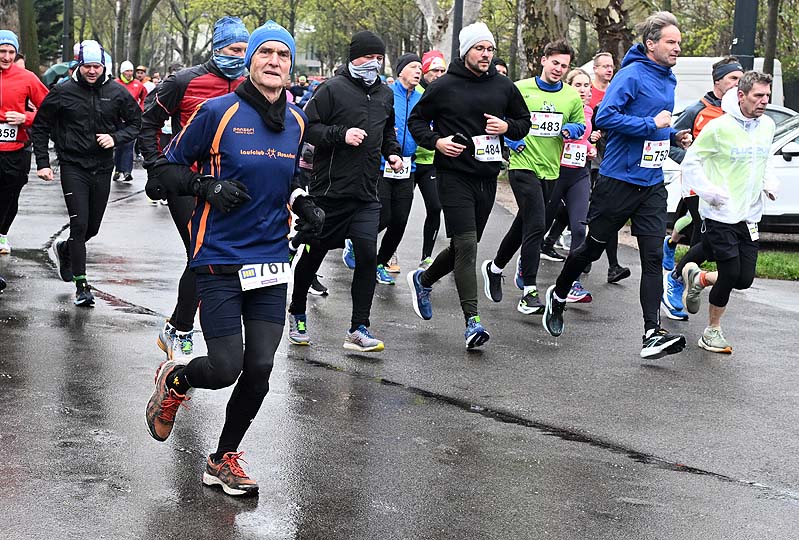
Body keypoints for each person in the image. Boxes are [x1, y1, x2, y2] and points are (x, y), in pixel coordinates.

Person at [145, 20, 324, 497]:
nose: (274, 62)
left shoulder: (297, 120)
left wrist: (304, 203)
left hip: (270, 260)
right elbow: (165, 169)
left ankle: (222, 459)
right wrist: (205, 186)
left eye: (282, 55)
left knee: (260, 367)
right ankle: (176, 379)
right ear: (250, 61)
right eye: (265, 53)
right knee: (226, 367)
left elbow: (290, 179)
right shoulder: (216, 112)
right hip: (219, 258)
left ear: (290, 66)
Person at [542, 12, 693, 360]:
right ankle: (559, 293)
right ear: (651, 44)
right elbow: (606, 117)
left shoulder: (668, 78)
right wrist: (651, 123)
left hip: (651, 182)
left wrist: (672, 135)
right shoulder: (631, 74)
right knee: (591, 249)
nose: (677, 48)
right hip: (619, 180)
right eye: (671, 42)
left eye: (679, 43)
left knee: (653, 256)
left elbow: (656, 125)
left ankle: (652, 332)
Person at [406, 22, 531, 348]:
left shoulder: (503, 86)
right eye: (480, 48)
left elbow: (524, 123)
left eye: (490, 49)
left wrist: (506, 126)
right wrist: (437, 142)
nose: (486, 54)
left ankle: (424, 279)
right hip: (453, 175)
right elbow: (416, 121)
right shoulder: (444, 86)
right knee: (467, 245)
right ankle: (472, 322)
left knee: (464, 245)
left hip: (486, 177)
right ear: (465, 52)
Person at [139, 16, 249, 359]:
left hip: (227, 185)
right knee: (201, 254)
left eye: (245, 50)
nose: (241, 56)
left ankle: (176, 325)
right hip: (186, 182)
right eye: (234, 49)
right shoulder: (183, 81)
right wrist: (157, 168)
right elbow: (148, 121)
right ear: (217, 48)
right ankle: (182, 330)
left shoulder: (249, 83)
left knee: (217, 257)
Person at [287, 30, 403, 351]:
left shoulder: (385, 94)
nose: (374, 63)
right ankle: (297, 310)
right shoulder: (331, 89)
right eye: (368, 57)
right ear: (353, 57)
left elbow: (387, 131)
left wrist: (392, 153)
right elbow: (307, 128)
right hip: (329, 193)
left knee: (367, 257)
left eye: (379, 58)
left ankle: (358, 328)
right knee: (314, 255)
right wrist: (341, 134)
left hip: (366, 193)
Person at [32, 40, 141, 306]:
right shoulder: (63, 91)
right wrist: (43, 163)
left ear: (104, 67)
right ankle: (82, 286)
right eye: (87, 66)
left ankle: (65, 248)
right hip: (73, 165)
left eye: (96, 66)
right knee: (79, 224)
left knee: (92, 227)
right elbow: (41, 126)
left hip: (102, 167)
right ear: (79, 66)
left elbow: (137, 122)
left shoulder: (116, 92)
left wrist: (115, 138)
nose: (92, 71)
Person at [481, 39, 585, 315]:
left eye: (564, 66)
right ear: (543, 60)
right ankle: (529, 292)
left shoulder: (571, 96)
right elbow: (500, 120)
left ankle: (495, 268)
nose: (559, 69)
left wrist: (571, 130)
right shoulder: (520, 88)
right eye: (555, 63)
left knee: (523, 224)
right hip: (522, 166)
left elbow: (580, 124)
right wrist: (512, 140)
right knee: (537, 225)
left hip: (550, 169)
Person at [678, 72, 776, 353]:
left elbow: (765, 159)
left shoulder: (767, 125)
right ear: (741, 95)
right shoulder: (719, 127)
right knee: (730, 273)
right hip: (720, 213)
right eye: (758, 95)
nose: (764, 101)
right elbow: (692, 162)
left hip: (750, 215)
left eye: (767, 96)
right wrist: (708, 191)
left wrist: (769, 182)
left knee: (744, 280)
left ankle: (700, 278)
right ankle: (712, 331)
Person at [661, 56, 744, 321]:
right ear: (718, 81)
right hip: (698, 188)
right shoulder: (697, 110)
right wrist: (693, 159)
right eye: (733, 78)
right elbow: (669, 143)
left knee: (706, 242)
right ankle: (676, 281)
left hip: (727, 188)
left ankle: (683, 276)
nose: (738, 84)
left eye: (741, 79)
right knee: (707, 241)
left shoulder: (740, 113)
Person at [373, 53, 422, 285]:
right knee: (383, 216)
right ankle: (356, 243)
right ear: (400, 70)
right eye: (413, 66)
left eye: (420, 67)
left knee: (400, 220)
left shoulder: (422, 98)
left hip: (407, 167)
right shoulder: (386, 94)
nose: (418, 71)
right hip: (382, 165)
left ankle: (379, 263)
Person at [0, 30, 48, 257]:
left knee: (10, 196)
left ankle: (2, 233)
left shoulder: (27, 78)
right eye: (2, 51)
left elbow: (49, 110)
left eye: (11, 52)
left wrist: (25, 118)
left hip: (16, 150)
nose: (7, 57)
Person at [584, 51, 631, 283]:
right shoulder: (587, 91)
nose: (609, 70)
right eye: (604, 66)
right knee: (585, 210)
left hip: (610, 158)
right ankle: (575, 251)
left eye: (611, 66)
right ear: (595, 69)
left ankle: (611, 265)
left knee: (603, 211)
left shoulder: (616, 90)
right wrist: (591, 136)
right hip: (590, 158)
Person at [412, 50, 446, 270]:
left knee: (435, 207)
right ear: (425, 71)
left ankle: (426, 257)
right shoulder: (414, 91)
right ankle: (389, 253)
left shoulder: (446, 92)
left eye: (442, 70)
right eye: (434, 70)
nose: (439, 75)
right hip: (408, 160)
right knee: (396, 214)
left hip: (431, 161)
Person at [113, 60, 148, 182]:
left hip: (132, 119)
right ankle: (118, 170)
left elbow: (145, 98)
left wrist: (141, 109)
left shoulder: (138, 85)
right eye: (127, 71)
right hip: (117, 119)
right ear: (122, 72)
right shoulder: (115, 84)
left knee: (129, 145)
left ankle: (127, 171)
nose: (129, 73)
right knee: (119, 145)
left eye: (131, 71)